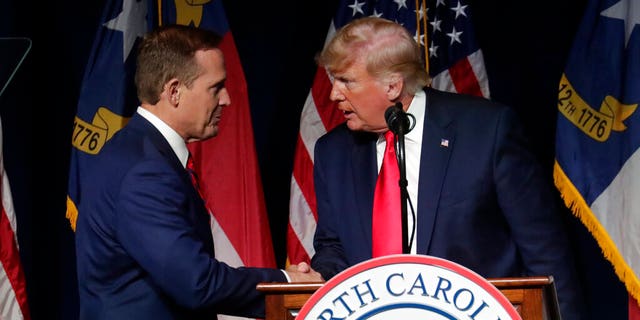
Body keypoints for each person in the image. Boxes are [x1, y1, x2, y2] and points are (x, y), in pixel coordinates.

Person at [309, 17, 586, 319]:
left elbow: (545, 252)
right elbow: (332, 246)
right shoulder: (332, 152)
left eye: (346, 81)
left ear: (392, 85)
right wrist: (318, 275)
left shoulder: (487, 132)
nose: (334, 93)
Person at [75, 24, 321, 320]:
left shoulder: (138, 151)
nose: (227, 99)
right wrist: (287, 284)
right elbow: (196, 283)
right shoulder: (145, 171)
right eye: (215, 88)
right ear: (174, 91)